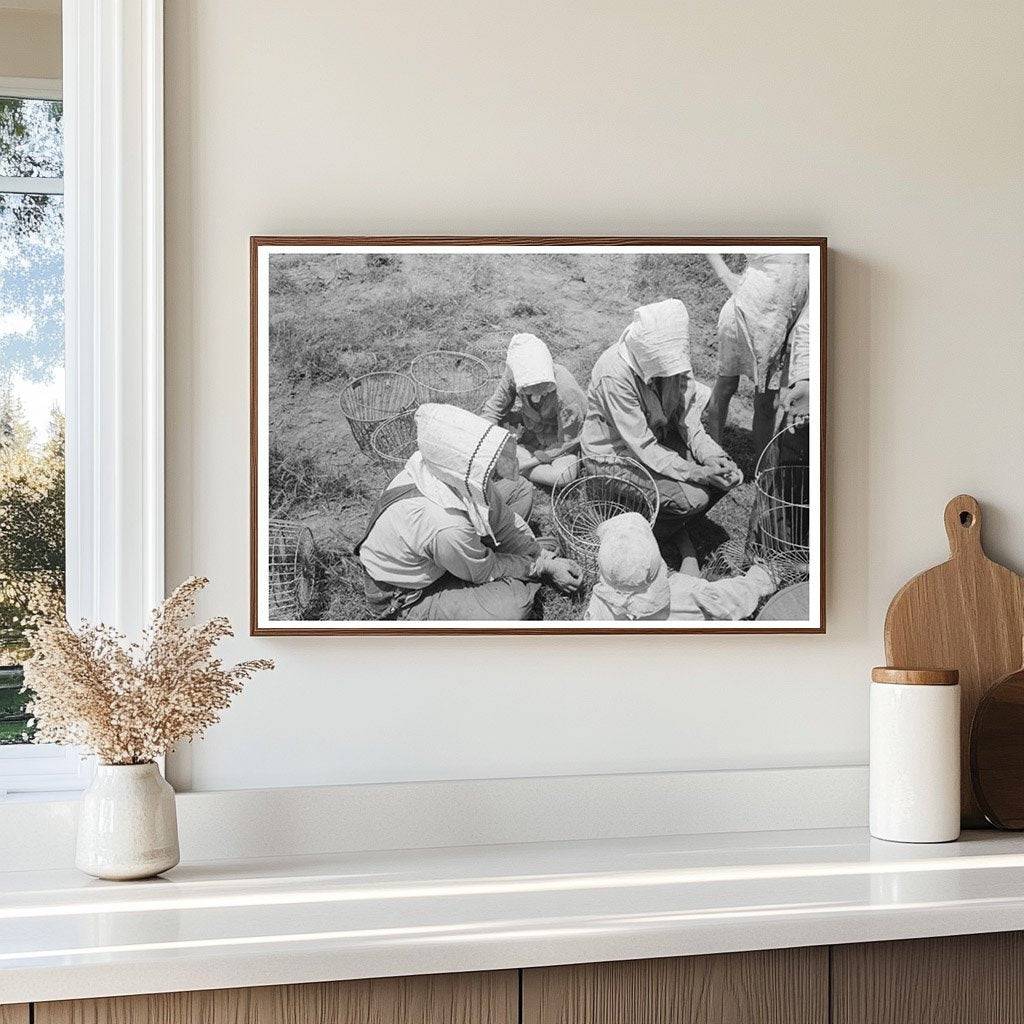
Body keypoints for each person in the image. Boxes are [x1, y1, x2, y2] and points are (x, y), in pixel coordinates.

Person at [357, 403, 583, 621]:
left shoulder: (444, 468)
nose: (494, 469)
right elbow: (485, 570)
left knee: (520, 489)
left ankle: (501, 557)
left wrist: (542, 556)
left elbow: (504, 522)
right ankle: (432, 604)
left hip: (445, 551)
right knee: (514, 604)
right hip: (406, 592)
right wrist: (541, 567)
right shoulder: (447, 524)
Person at [581, 298, 741, 571]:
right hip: (615, 455)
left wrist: (714, 457)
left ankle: (668, 520)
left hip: (656, 440)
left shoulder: (674, 364)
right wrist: (697, 472)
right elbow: (642, 447)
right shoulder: (614, 374)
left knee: (724, 477)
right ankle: (644, 530)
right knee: (696, 498)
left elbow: (689, 424)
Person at [705, 253, 809, 456]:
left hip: (784, 319)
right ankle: (712, 453)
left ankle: (762, 467)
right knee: (726, 385)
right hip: (746, 310)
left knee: (768, 401)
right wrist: (725, 274)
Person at [584, 513, 777, 622]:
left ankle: (686, 546)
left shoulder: (599, 603)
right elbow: (735, 596)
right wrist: (762, 576)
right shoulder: (687, 590)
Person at [480, 332, 586, 488]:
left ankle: (509, 465)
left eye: (544, 390)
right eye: (530, 391)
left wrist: (527, 464)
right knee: (484, 427)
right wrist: (487, 438)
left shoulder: (567, 392)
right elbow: (493, 409)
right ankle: (506, 459)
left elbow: (566, 442)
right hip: (531, 431)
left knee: (563, 476)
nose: (538, 396)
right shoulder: (514, 373)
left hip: (557, 443)